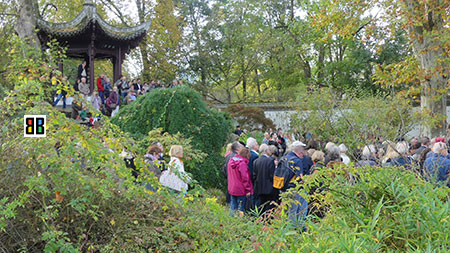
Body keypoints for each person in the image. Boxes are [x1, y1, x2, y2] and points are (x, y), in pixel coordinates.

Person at [283, 141, 308, 230]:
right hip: (294, 189)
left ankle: (284, 228)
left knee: (286, 210)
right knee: (293, 211)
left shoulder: (284, 158)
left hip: (283, 188)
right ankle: (292, 232)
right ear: (300, 153)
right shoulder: (297, 161)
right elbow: (300, 178)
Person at [228, 147, 253, 216]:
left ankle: (230, 220)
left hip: (232, 187)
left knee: (233, 205)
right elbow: (245, 178)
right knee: (241, 207)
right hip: (240, 189)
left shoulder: (231, 161)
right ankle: (239, 221)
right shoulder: (242, 164)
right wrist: (248, 190)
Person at [252, 144, 278, 213]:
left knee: (260, 206)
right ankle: (267, 221)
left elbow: (254, 175)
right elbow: (272, 175)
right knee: (269, 207)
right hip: (269, 187)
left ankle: (260, 220)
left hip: (259, 187)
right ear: (266, 150)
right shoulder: (270, 161)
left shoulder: (256, 161)